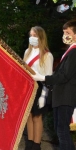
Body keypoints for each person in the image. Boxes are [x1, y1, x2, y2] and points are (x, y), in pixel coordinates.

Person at [31, 20, 76, 150]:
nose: (64, 35)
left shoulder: (74, 52)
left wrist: (43, 77)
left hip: (66, 96)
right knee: (60, 130)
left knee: (62, 131)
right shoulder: (70, 51)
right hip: (61, 96)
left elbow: (65, 75)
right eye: (64, 32)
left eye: (68, 33)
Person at [23, 26, 53, 150]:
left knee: (37, 117)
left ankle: (36, 144)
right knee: (28, 116)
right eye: (31, 35)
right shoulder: (27, 52)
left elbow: (49, 77)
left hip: (40, 88)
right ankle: (29, 143)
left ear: (41, 37)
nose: (32, 38)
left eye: (35, 35)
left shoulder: (47, 55)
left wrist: (43, 95)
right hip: (27, 87)